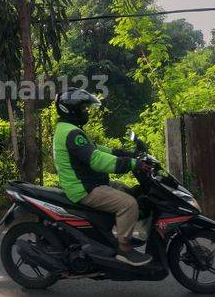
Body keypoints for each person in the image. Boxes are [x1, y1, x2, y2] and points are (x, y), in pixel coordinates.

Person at [53, 88, 153, 266]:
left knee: (130, 191)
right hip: (85, 189)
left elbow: (98, 149)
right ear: (72, 109)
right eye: (83, 108)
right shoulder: (71, 133)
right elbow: (96, 160)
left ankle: (113, 236)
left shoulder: (68, 129)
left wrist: (127, 154)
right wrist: (131, 164)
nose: (86, 112)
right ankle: (124, 249)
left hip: (90, 183)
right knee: (129, 204)